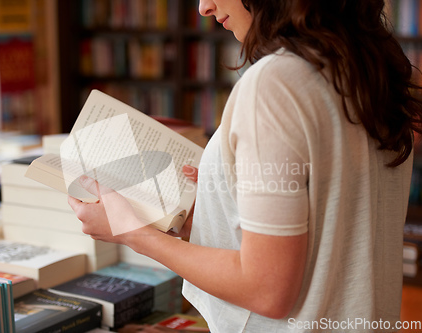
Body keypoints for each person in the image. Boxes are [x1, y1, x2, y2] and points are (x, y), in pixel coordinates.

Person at [68, 0, 422, 332]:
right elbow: (332, 224)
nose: (204, 7)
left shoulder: (275, 85)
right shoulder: (367, 72)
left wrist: (130, 231)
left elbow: (267, 290)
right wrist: (210, 214)